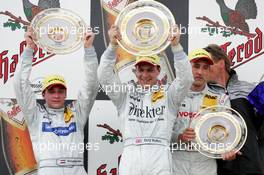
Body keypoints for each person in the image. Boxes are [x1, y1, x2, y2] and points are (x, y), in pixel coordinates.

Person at [97, 25, 193, 175]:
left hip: (159, 154)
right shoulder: (125, 93)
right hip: (131, 155)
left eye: (150, 70)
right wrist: (112, 46)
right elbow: (104, 77)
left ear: (158, 70)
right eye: (141, 70)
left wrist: (176, 47)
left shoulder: (170, 94)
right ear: (135, 71)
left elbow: (186, 79)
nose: (145, 74)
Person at [13, 27, 99, 175]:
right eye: (51, 91)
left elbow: (91, 86)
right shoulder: (35, 115)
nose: (56, 95)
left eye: (60, 91)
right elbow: (20, 84)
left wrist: (89, 50)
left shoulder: (76, 112)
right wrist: (28, 50)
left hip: (77, 170)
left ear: (66, 94)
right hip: (48, 170)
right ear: (43, 94)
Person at [171, 48, 237, 175]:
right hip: (175, 162)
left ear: (209, 71)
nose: (200, 72)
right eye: (195, 66)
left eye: (205, 68)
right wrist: (178, 137)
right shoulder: (171, 96)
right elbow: (158, 132)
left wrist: (228, 149)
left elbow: (227, 134)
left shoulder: (221, 99)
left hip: (205, 165)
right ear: (186, 68)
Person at [204, 44, 264, 175]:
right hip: (217, 166)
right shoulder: (203, 94)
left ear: (221, 63)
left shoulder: (251, 89)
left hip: (251, 165)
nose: (203, 70)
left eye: (207, 64)